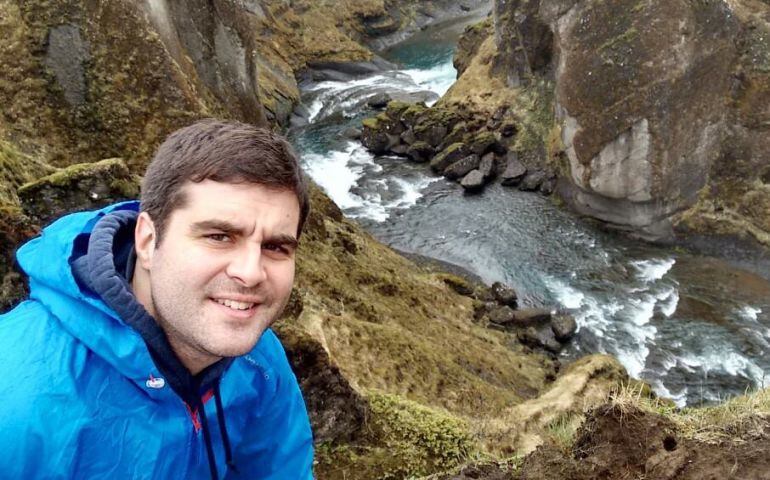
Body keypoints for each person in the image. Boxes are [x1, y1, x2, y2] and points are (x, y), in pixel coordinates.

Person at [0, 119, 314, 479]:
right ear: (147, 241)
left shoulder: (259, 361)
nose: (251, 272)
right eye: (219, 236)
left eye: (275, 247)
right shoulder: (16, 398)